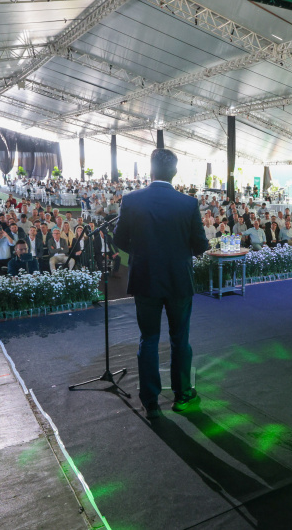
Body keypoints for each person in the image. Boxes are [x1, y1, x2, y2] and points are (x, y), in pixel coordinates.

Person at [113, 149, 208, 420]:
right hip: (179, 280)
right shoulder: (188, 203)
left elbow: (119, 240)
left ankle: (151, 403)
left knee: (149, 339)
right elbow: (200, 245)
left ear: (151, 171)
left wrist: (142, 253)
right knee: (180, 339)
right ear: (175, 173)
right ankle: (182, 396)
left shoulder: (132, 200)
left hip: (145, 279)